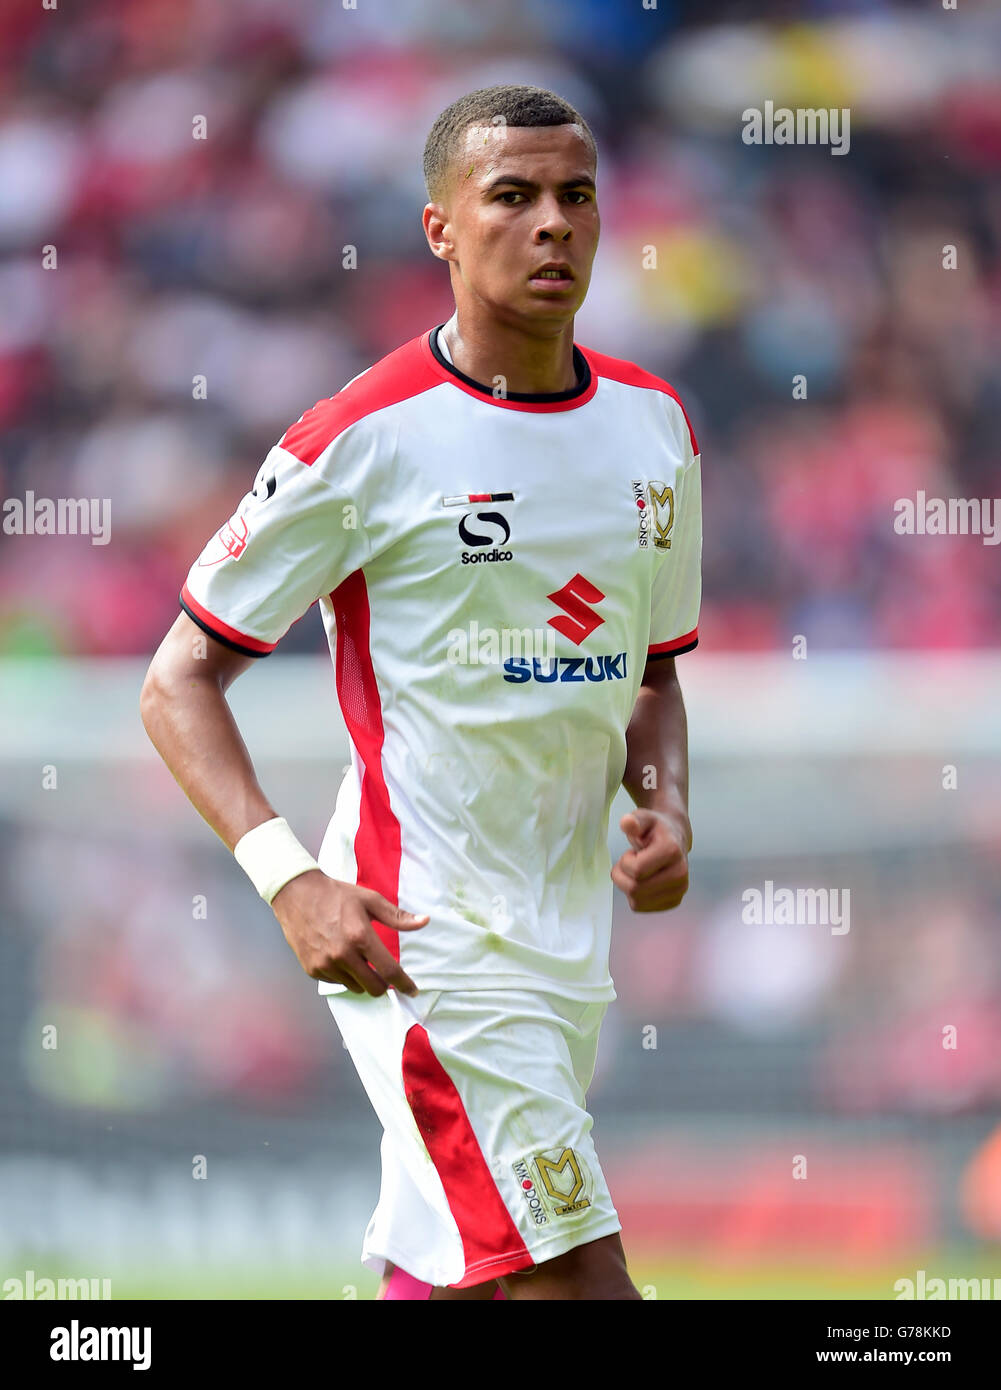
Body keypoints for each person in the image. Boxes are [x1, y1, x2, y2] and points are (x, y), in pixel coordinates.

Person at [140, 83, 702, 1301]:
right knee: (576, 1280)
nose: (551, 223)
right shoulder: (361, 438)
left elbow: (651, 674)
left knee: (457, 1276)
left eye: (575, 196)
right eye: (511, 197)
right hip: (428, 941)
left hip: (564, 940)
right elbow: (179, 680)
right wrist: (290, 880)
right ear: (441, 228)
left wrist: (663, 810)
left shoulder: (655, 428)